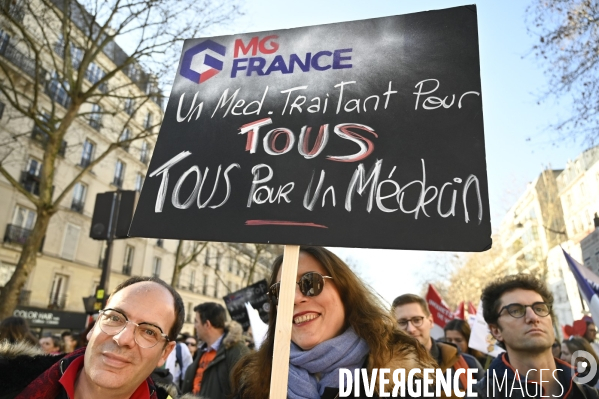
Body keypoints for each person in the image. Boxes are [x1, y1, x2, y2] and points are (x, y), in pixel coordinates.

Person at [231, 246, 437, 398]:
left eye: (310, 283)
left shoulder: (406, 381)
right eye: (280, 291)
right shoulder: (255, 383)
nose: (294, 298)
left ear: (345, 293)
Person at [2, 276, 184, 399]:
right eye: (115, 318)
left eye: (149, 331)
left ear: (165, 352)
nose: (122, 338)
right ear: (95, 325)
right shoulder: (8, 376)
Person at [475, 273, 599, 398]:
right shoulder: (481, 395)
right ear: (496, 331)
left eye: (540, 309)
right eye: (516, 311)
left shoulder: (589, 388)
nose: (533, 317)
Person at [392, 294, 483, 398]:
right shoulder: (383, 372)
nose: (411, 329)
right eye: (402, 322)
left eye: (417, 320)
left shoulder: (468, 364)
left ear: (430, 321)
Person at [181, 302, 248, 398]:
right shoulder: (201, 352)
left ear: (207, 324)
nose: (195, 326)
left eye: (196, 321)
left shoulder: (237, 351)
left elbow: (245, 393)